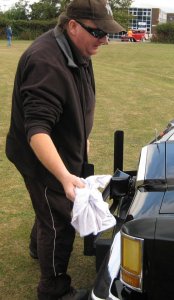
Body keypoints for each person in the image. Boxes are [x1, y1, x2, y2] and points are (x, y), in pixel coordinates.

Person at [5, 0, 124, 299]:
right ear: (73, 25)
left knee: (47, 208)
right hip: (40, 156)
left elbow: (77, 99)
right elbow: (38, 131)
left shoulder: (77, 48)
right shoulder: (46, 62)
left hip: (63, 147)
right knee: (58, 217)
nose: (105, 40)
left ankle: (36, 246)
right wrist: (63, 176)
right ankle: (54, 289)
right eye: (99, 33)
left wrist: (82, 137)